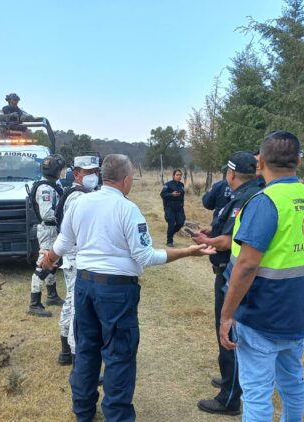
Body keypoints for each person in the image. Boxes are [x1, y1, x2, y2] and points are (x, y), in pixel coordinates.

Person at [41, 154, 215, 422]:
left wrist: (48, 259)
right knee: (119, 355)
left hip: (84, 285)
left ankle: (83, 412)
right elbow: (145, 256)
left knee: (86, 350)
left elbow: (63, 244)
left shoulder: (80, 203)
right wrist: (187, 252)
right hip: (116, 292)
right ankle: (117, 415)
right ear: (125, 180)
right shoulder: (127, 209)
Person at [219, 131, 304, 421]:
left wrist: (226, 315)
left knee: (257, 392)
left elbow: (247, 265)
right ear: (299, 161)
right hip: (297, 312)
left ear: (260, 162)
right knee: (293, 382)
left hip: (261, 314)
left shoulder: (265, 201)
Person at [191, 152, 263, 416]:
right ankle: (230, 380)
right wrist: (212, 233)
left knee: (228, 334)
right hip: (229, 271)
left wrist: (207, 241)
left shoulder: (246, 198)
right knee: (230, 334)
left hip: (231, 274)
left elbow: (230, 240)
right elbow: (228, 230)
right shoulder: (244, 194)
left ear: (231, 174)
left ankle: (229, 398)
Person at [55, 155, 101, 365]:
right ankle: (78, 359)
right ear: (76, 173)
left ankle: (65, 351)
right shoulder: (79, 197)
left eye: (96, 172)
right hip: (76, 256)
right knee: (78, 309)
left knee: (70, 302)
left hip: (72, 256)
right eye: (88, 172)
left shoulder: (75, 193)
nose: (93, 176)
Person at [27, 154, 66, 317]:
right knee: (44, 264)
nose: (63, 172)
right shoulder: (45, 189)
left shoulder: (52, 185)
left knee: (53, 262)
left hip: (52, 229)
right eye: (61, 169)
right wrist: (64, 216)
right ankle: (34, 303)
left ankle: (52, 295)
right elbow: (47, 214)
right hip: (48, 229)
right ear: (55, 171)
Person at [160, 169, 186, 246]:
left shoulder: (182, 185)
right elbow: (162, 194)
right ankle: (169, 241)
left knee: (181, 223)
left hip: (179, 208)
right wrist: (171, 194)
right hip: (170, 208)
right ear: (173, 176)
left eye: (180, 175)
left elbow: (182, 196)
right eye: (177, 175)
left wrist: (182, 205)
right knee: (171, 224)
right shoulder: (168, 184)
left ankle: (170, 233)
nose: (179, 176)